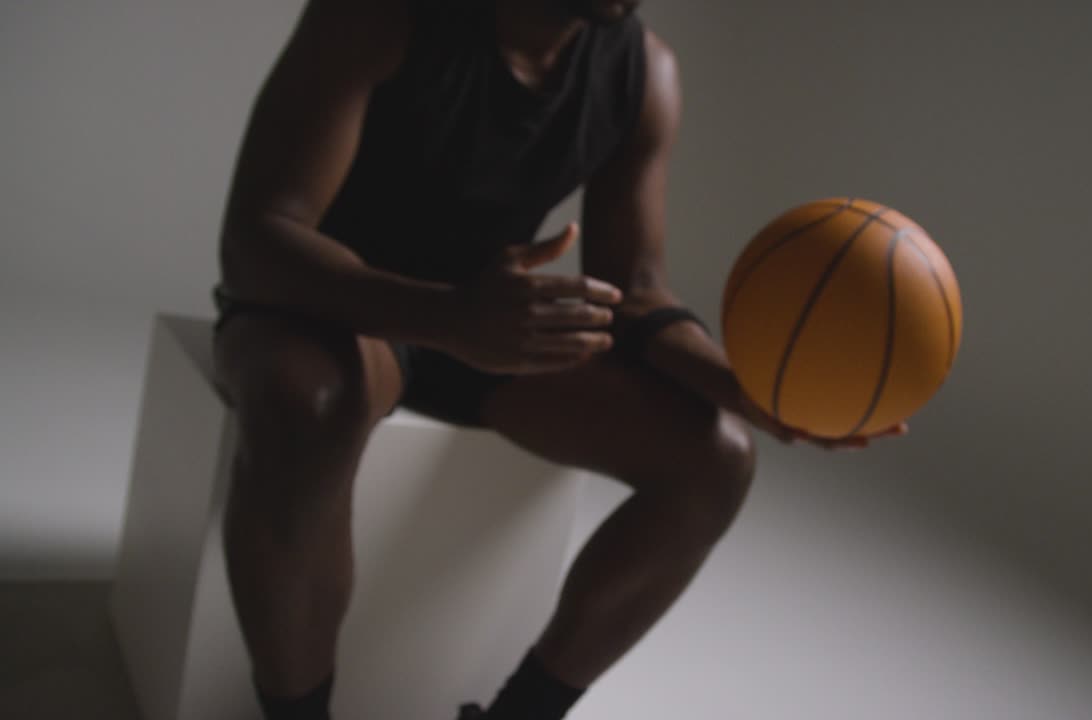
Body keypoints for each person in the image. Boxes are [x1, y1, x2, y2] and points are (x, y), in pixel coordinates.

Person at [211, 0, 906, 717]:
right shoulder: (378, 18)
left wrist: (741, 386)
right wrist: (447, 317)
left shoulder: (646, 73)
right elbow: (260, 238)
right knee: (310, 403)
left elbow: (634, 287)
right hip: (335, 310)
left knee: (716, 457)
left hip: (489, 324)